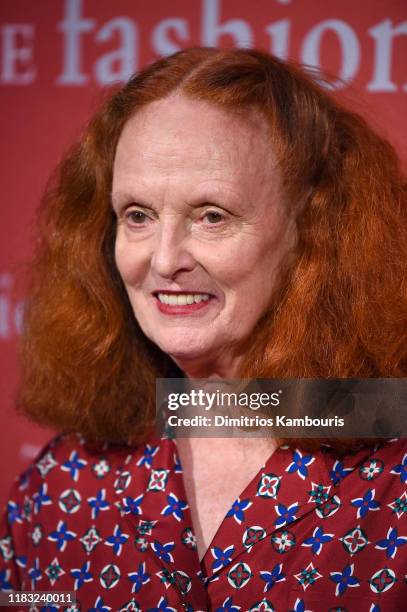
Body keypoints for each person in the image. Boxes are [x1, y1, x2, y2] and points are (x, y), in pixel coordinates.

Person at [0, 47, 406, 611]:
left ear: (311, 230)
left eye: (212, 215)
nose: (164, 261)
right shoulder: (60, 487)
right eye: (137, 215)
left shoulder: (394, 472)